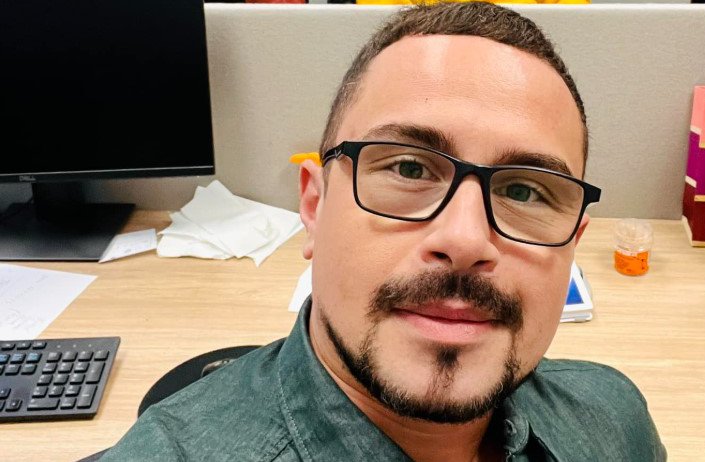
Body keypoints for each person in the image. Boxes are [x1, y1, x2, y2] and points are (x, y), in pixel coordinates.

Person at [101, 2, 665, 461]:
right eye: (409, 168)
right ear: (315, 205)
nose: (465, 240)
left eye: (524, 192)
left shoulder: (614, 420)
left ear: (573, 241)